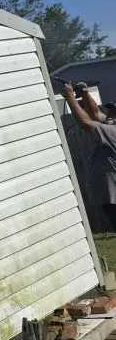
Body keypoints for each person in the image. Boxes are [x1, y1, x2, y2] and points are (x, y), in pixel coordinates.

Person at [62, 81, 116, 231]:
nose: (109, 114)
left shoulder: (112, 133)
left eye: (113, 112)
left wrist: (70, 98)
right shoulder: (111, 128)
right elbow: (96, 115)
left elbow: (86, 123)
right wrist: (85, 95)